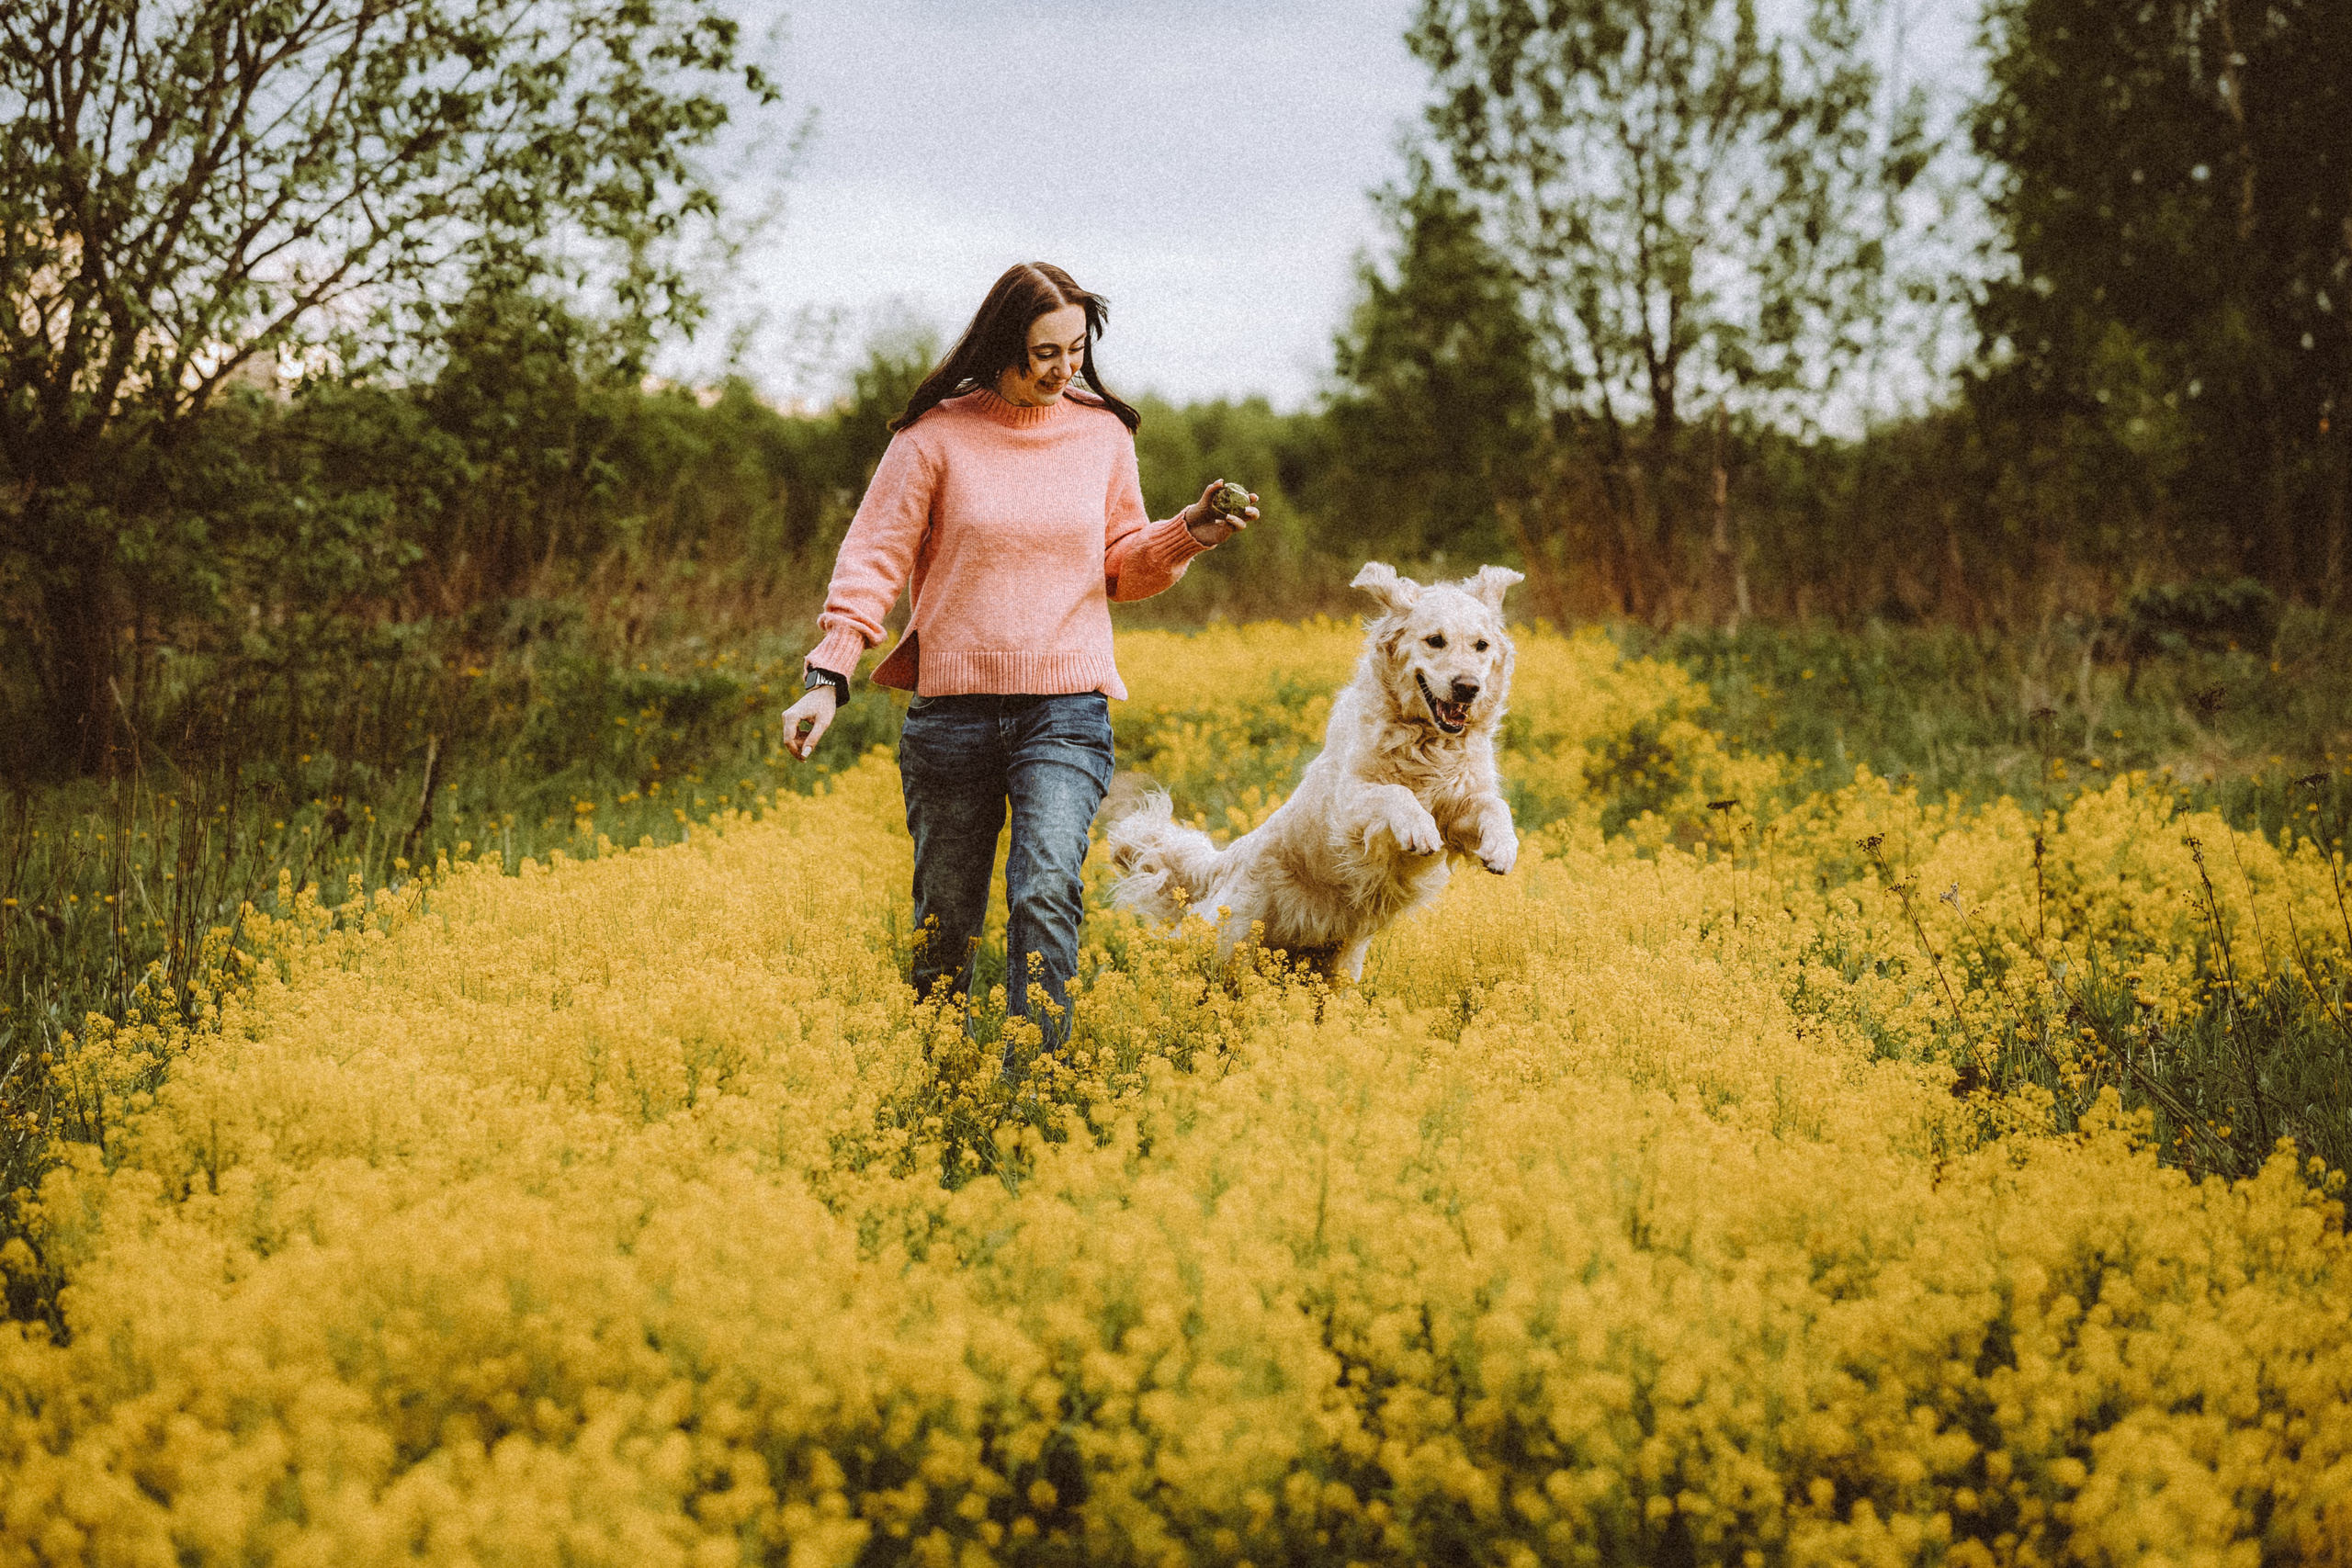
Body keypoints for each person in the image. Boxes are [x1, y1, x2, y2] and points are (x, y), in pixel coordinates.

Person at [779, 262, 1256, 1063]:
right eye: (1044, 352)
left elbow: (1122, 565)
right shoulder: (932, 437)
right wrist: (829, 675)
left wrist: (1191, 531)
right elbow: (872, 559)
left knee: (1043, 888)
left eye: (1076, 348)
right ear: (1002, 343)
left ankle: (1033, 1074)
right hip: (953, 715)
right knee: (947, 914)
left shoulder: (1103, 433)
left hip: (1065, 709)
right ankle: (937, 1069)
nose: (1063, 368)